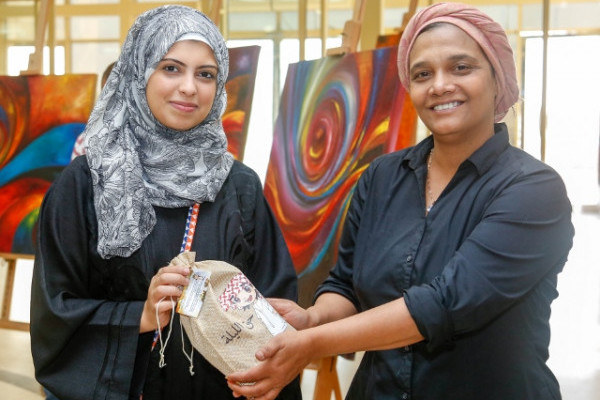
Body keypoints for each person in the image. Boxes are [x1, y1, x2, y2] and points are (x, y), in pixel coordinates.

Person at [227, 3, 575, 400]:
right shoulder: (382, 176)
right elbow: (346, 283)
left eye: (461, 67)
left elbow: (443, 304)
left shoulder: (533, 190)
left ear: (498, 77)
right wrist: (314, 318)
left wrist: (311, 344)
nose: (439, 85)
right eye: (422, 74)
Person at [30, 5, 301, 400]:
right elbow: (55, 313)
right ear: (138, 73)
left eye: (205, 74)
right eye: (171, 68)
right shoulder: (85, 184)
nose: (189, 87)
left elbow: (275, 307)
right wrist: (139, 316)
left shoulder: (238, 186)